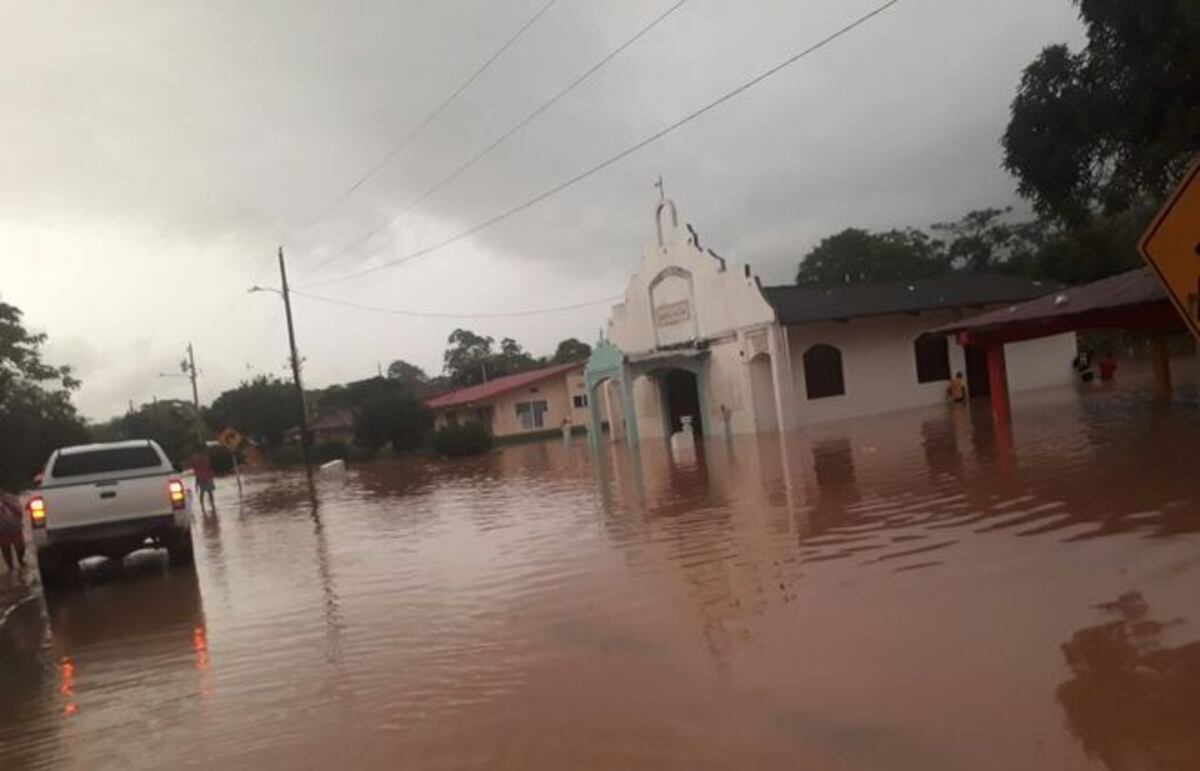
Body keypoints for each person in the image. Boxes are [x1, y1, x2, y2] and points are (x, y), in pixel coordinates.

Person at [0, 488, 27, 572]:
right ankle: (10, 567)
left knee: (21, 547)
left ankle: (20, 560)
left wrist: (7, 504)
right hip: (2, 530)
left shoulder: (11, 498)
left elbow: (20, 510)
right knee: (5, 549)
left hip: (15, 527)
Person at [191, 449, 216, 514]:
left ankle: (207, 506)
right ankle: (206, 506)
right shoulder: (199, 460)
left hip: (205, 477)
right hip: (203, 478)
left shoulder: (200, 460)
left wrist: (196, 484)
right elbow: (196, 472)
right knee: (206, 492)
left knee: (207, 492)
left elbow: (197, 472)